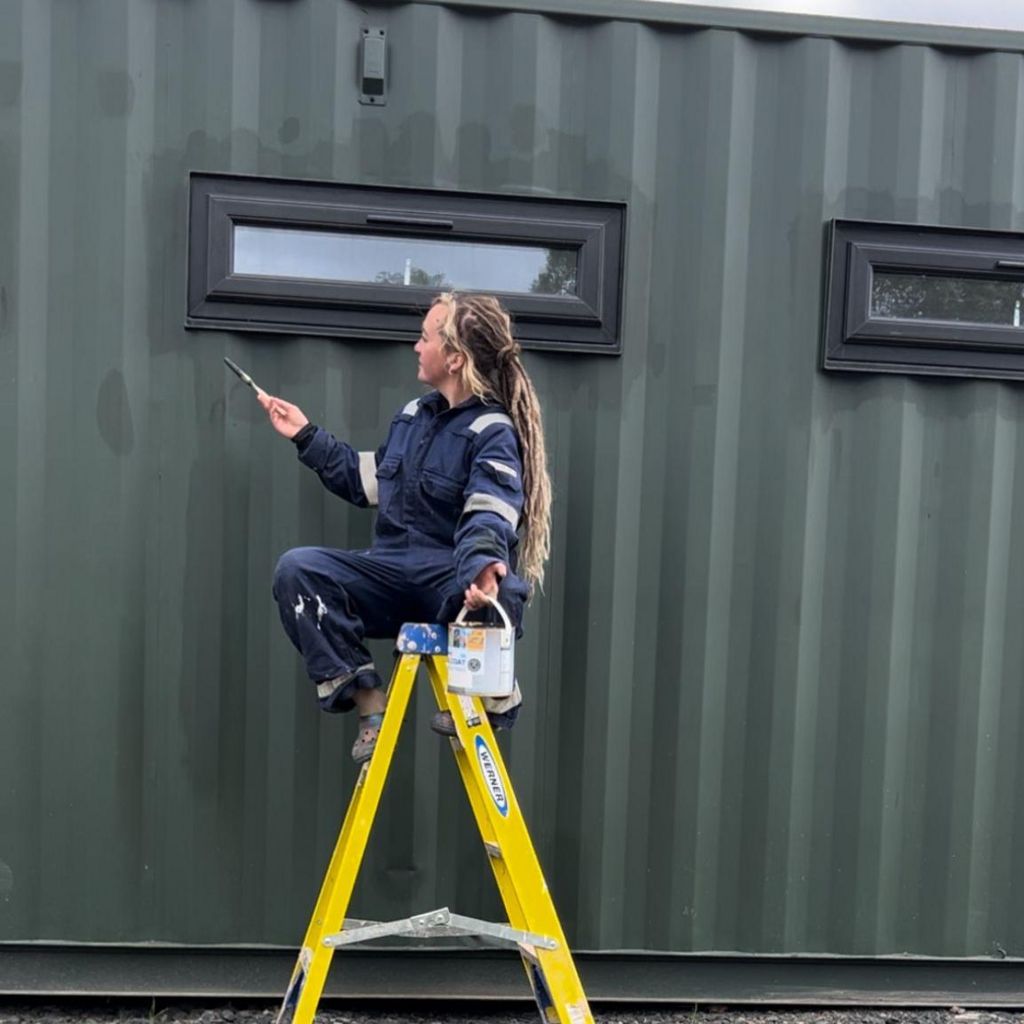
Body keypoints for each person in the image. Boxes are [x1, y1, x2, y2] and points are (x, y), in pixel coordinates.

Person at [259, 292, 552, 764]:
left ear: (454, 358)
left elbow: (490, 510)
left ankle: (491, 697)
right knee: (297, 570)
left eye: (425, 337)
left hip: (447, 580)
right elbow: (365, 481)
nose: (416, 347)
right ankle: (364, 695)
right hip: (390, 574)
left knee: (497, 591)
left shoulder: (492, 430)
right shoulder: (413, 417)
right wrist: (305, 435)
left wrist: (482, 571)